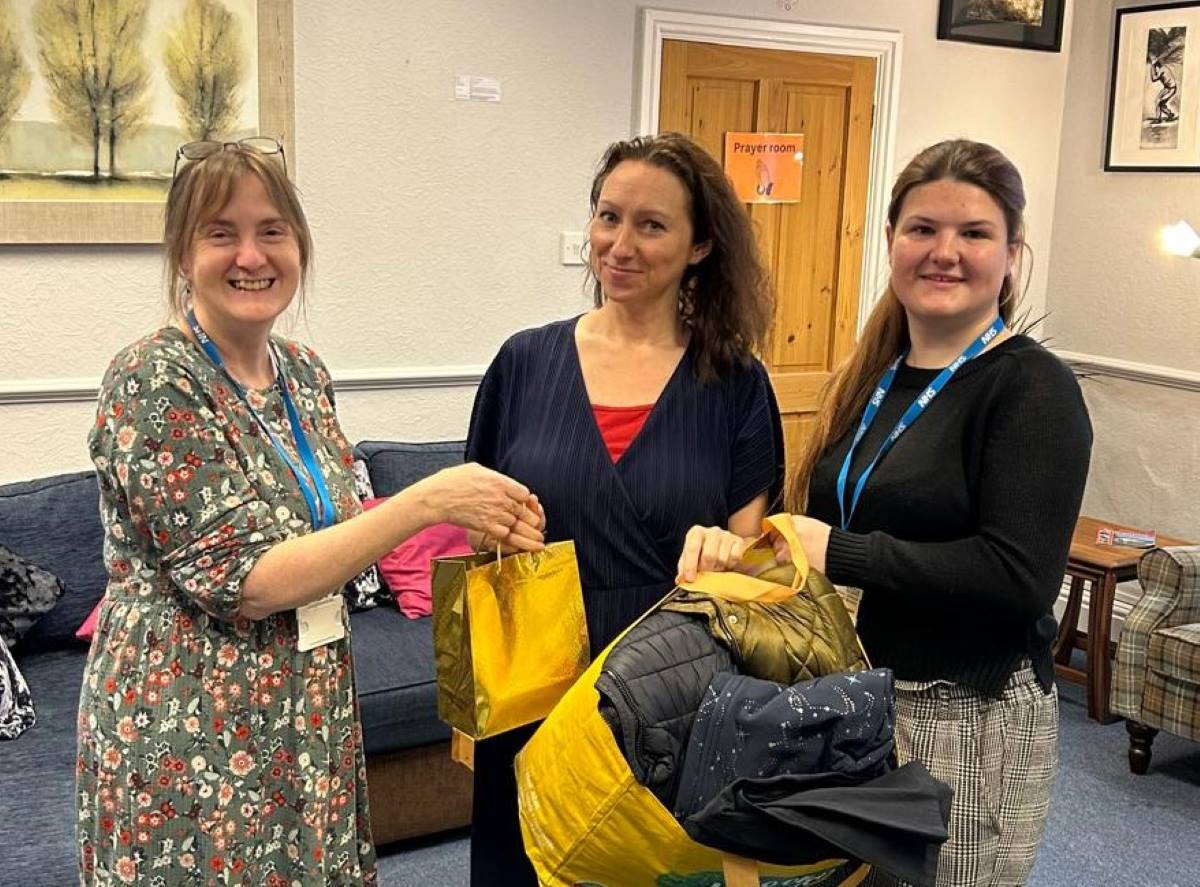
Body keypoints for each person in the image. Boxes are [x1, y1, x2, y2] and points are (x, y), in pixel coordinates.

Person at [75, 139, 543, 886]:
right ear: (181, 252)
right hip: (188, 718)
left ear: (299, 244)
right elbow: (246, 580)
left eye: (272, 230)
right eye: (220, 232)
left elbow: (330, 524)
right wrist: (428, 502)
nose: (251, 255)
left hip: (304, 703)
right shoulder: (152, 377)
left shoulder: (302, 372)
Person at [680, 139, 1092, 886]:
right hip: (856, 695)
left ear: (1012, 254)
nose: (945, 252)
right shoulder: (873, 378)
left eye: (974, 233)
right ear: (893, 241)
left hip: (968, 718)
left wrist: (843, 552)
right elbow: (819, 532)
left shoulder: (1032, 388)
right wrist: (741, 551)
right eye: (923, 229)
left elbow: (1020, 577)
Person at [464, 132, 785, 885]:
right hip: (535, 677)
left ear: (701, 244)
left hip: (670, 688)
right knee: (526, 865)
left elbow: (756, 559)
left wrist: (728, 548)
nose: (620, 243)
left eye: (652, 224)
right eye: (609, 217)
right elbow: (475, 516)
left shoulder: (735, 382)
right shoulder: (523, 362)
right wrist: (486, 527)